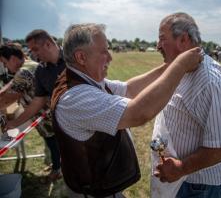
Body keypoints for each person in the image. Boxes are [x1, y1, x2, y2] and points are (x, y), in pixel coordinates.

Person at [50, 23, 202, 198]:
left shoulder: (82, 80)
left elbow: (129, 89)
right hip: (94, 192)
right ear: (81, 57)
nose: (110, 57)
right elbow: (139, 113)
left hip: (100, 187)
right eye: (104, 51)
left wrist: (168, 66)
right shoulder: (75, 98)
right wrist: (180, 66)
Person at [152, 12, 221, 198]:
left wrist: (182, 168)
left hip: (196, 186)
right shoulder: (180, 69)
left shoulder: (211, 81)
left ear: (183, 39)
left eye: (162, 39)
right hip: (182, 181)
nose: (157, 46)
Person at [5, 30, 66, 182]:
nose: (33, 54)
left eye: (35, 49)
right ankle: (59, 168)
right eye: (31, 50)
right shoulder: (40, 70)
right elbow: (37, 101)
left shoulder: (73, 58)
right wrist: (14, 123)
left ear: (48, 44)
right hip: (60, 125)